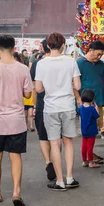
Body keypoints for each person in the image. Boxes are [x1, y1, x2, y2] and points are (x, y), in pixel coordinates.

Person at [0, 35, 33, 206]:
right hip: (17, 120)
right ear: (13, 48)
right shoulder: (23, 69)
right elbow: (27, 94)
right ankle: (16, 192)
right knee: (15, 155)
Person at [35, 32, 81, 191]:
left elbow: (38, 88)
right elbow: (78, 86)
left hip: (50, 108)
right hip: (68, 106)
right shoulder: (71, 62)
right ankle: (70, 177)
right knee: (68, 143)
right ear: (63, 45)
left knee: (54, 144)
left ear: (47, 45)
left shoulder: (41, 63)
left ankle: (59, 181)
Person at [30, 39, 56, 181]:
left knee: (43, 136)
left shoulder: (37, 64)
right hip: (59, 104)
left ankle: (48, 161)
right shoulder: (63, 62)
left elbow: (35, 87)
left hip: (42, 103)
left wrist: (34, 106)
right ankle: (56, 161)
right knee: (56, 137)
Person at [78, 89, 100, 168]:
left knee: (84, 146)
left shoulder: (81, 108)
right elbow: (97, 116)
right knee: (90, 147)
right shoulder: (92, 109)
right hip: (91, 131)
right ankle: (91, 162)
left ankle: (84, 161)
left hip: (84, 130)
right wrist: (96, 108)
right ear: (92, 99)